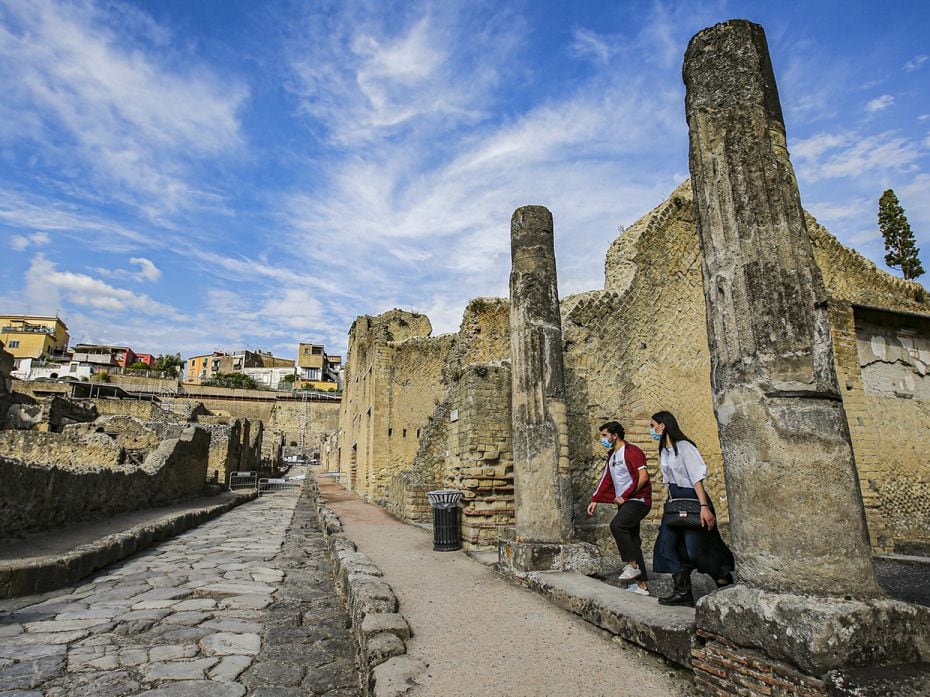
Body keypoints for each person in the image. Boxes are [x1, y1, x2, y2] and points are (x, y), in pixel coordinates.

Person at [650, 411, 735, 607]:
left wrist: (704, 506)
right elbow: (668, 482)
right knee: (666, 545)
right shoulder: (664, 451)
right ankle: (682, 592)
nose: (651, 430)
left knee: (695, 548)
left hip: (693, 499)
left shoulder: (685, 447)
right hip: (675, 501)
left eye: (653, 425)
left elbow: (696, 478)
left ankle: (722, 578)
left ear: (663, 425)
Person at [587, 421, 652, 596]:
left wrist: (627, 495)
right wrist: (595, 499)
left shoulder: (632, 452)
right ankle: (642, 585)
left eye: (604, 435)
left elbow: (643, 477)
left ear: (615, 436)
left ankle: (632, 566)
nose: (602, 439)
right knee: (633, 540)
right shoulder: (612, 455)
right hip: (626, 502)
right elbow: (606, 479)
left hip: (638, 500)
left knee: (617, 526)